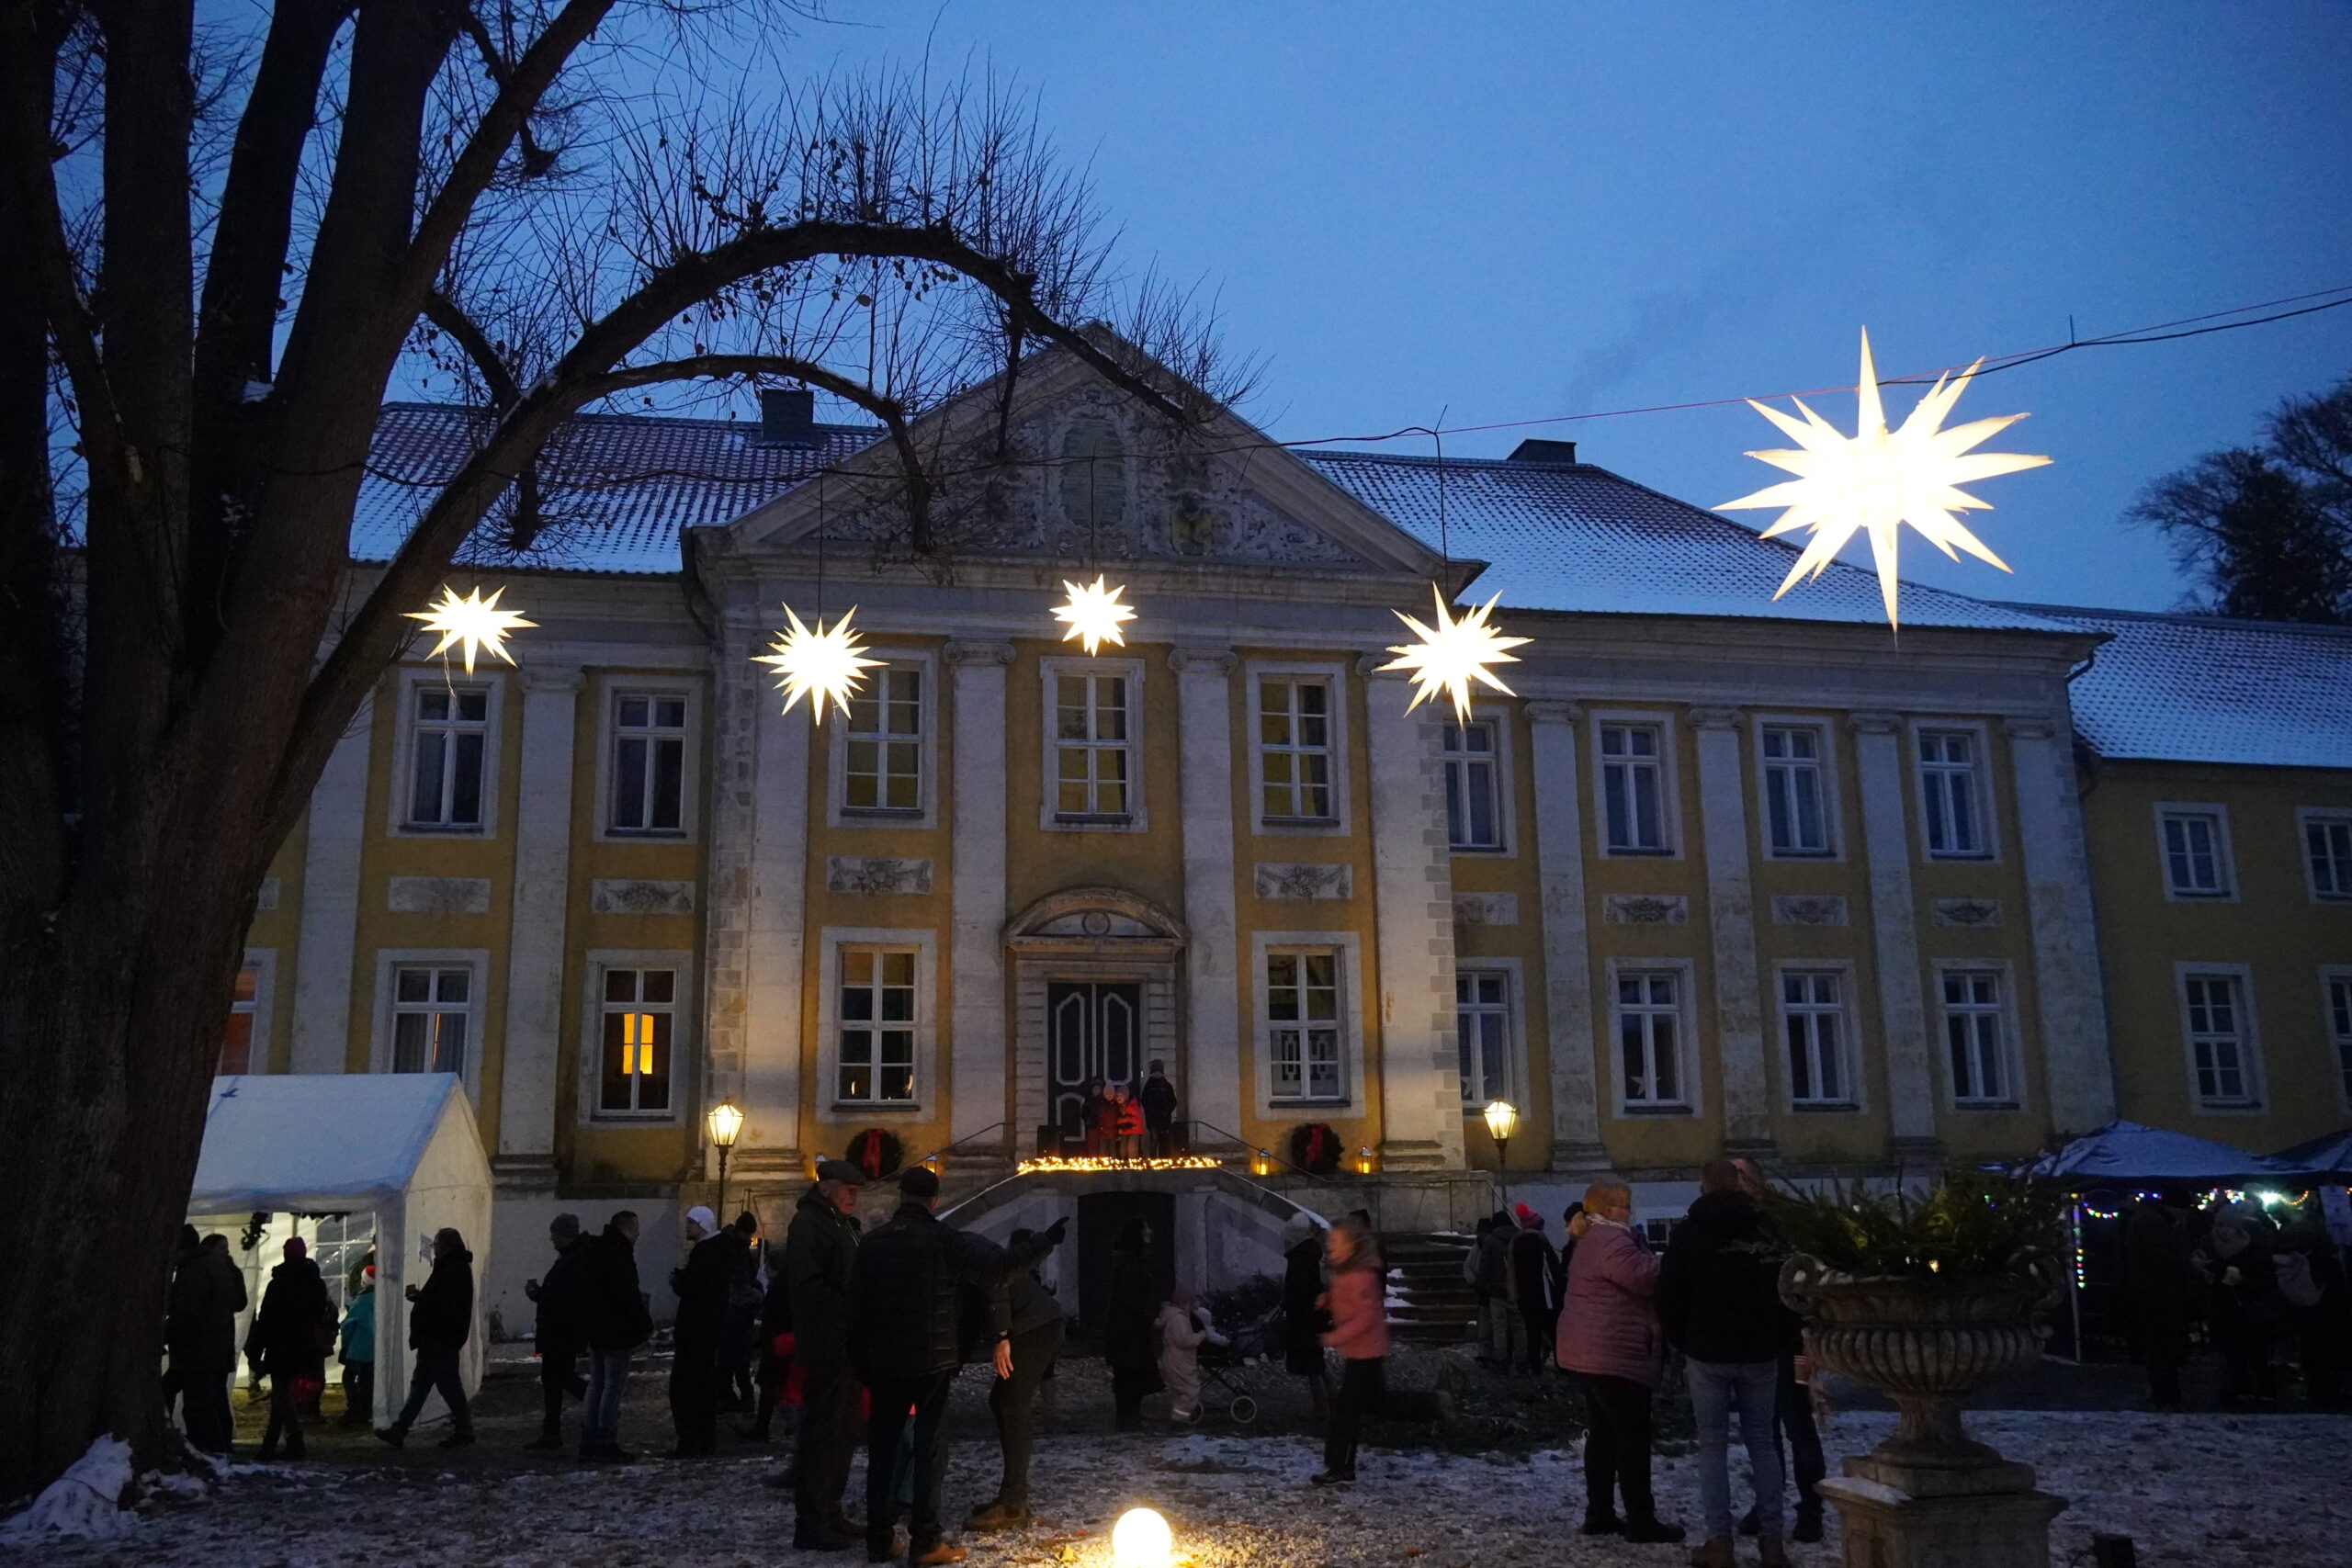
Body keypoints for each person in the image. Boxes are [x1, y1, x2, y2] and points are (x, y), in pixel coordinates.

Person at [849, 1166, 1057, 1566]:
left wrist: (861, 1362)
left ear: (900, 1197)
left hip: (884, 1362)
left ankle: (879, 1539)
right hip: (931, 1362)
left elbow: (856, 1309)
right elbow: (999, 1270)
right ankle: (925, 1542)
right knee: (929, 1451)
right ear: (935, 1200)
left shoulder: (871, 1245)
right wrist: (1044, 1242)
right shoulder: (945, 1240)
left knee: (884, 1450)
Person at [1660, 1159, 1787, 1568]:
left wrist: (1682, 1338)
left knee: (1712, 1446)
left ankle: (1720, 1542)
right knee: (1763, 1443)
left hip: (1707, 1350)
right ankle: (1772, 1541)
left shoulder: (1688, 1233)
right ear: (1738, 1185)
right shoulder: (1766, 1229)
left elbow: (1669, 1293)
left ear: (1702, 1187)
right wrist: (1780, 1336)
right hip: (1760, 1349)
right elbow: (1786, 1288)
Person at [1558, 1183, 1684, 1543]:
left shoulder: (1592, 1238)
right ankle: (1641, 1519)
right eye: (1626, 1206)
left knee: (1603, 1435)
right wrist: (1671, 1261)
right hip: (1613, 1351)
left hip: (1591, 1350)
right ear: (1610, 1210)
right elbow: (1644, 1278)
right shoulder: (1611, 1240)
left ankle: (1599, 1513)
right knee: (1631, 1438)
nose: (1630, 1212)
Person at [1729, 1159, 1823, 1545]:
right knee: (1763, 1432)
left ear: (1752, 1181)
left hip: (1787, 1342)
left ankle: (1810, 1510)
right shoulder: (1740, 1222)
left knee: (1798, 1425)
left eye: (1739, 1176)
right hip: (1753, 1343)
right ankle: (1768, 1503)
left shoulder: (1777, 1224)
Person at [967, 1223, 1071, 1532]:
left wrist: (1001, 1336)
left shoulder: (962, 1255)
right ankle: (1011, 1495)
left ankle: (1013, 1503)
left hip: (1034, 1328)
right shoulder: (965, 1248)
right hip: (1036, 1324)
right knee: (1002, 1401)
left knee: (1011, 1404)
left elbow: (995, 1286)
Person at [788, 1159, 867, 1551]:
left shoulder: (842, 1225)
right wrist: (848, 1310)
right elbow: (808, 1286)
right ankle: (812, 1519)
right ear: (826, 1189)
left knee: (843, 1430)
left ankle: (830, 1510)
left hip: (848, 1343)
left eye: (856, 1191)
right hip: (827, 1343)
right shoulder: (809, 1225)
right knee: (822, 1432)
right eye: (848, 1190)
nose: (855, 1197)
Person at [377, 1226, 476, 1448]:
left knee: (443, 1385)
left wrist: (421, 1299)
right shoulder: (455, 1268)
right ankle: (400, 1429)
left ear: (445, 1246)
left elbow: (444, 1303)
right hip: (439, 1335)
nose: (434, 1249)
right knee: (424, 1386)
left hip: (439, 1336)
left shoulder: (451, 1270)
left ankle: (463, 1428)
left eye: (436, 1244)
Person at [1311, 1214, 1386, 1486]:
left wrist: (1334, 1337)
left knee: (1347, 1412)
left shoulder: (1360, 1274)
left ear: (1352, 1245)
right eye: (1329, 1239)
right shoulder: (1345, 1271)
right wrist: (1327, 1298)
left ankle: (1338, 1467)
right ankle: (1343, 1467)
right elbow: (1348, 1299)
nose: (1330, 1244)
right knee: (1368, 1406)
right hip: (1359, 1352)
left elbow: (1366, 1317)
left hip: (1366, 1351)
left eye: (1336, 1240)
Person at [246, 1235, 332, 1461]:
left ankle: (291, 1439)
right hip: (304, 1346)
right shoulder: (315, 1282)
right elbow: (318, 1314)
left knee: (281, 1396)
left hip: (282, 1345)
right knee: (281, 1397)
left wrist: (255, 1350)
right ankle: (272, 1443)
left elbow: (267, 1319)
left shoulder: (280, 1283)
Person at [579, 1210, 654, 1461]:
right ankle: (605, 1440)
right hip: (616, 1332)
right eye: (635, 1229)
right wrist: (643, 1325)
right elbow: (628, 1295)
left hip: (597, 1329)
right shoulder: (619, 1255)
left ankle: (589, 1438)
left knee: (597, 1384)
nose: (639, 1234)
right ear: (626, 1230)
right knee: (612, 1386)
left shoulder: (598, 1250)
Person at [166, 1229, 246, 1454]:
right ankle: (218, 1447)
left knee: (199, 1404)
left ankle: (207, 1449)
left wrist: (166, 1335)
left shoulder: (194, 1271)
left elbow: (187, 1313)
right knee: (214, 1399)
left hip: (198, 1349)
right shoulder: (220, 1268)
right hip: (216, 1346)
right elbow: (237, 1302)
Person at [666, 1204, 735, 1457]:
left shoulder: (705, 1253)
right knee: (703, 1386)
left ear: (702, 1225)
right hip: (708, 1330)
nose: (687, 1227)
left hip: (696, 1331)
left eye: (691, 1223)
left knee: (686, 1387)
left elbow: (692, 1286)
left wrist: (678, 1281)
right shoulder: (718, 1251)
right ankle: (704, 1439)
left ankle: (690, 1440)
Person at [523, 1213, 594, 1449]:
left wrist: (539, 1296)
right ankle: (551, 1431)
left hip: (560, 1333)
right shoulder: (574, 1258)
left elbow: (563, 1299)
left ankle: (595, 1406)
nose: (551, 1239)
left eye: (554, 1234)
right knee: (557, 1380)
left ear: (563, 1235)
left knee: (559, 1379)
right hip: (561, 1332)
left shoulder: (572, 1261)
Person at [2124, 1193, 2196, 1412]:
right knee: (2162, 1345)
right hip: (2159, 1293)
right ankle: (2166, 1394)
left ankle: (2165, 1393)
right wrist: (2187, 1263)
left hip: (2152, 1292)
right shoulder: (2154, 1224)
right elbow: (2158, 1259)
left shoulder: (2148, 1220)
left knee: (2160, 1345)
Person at [1105, 1217, 1164, 1429]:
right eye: (1146, 1227)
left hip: (1133, 1327)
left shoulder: (1135, 1260)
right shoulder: (1129, 1263)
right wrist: (1148, 1317)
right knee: (1128, 1375)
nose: (1150, 1230)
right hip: (1127, 1329)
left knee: (1133, 1374)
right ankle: (1126, 1419)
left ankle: (1131, 1416)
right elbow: (1127, 1298)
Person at [1279, 1213, 1331, 1417]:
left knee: (1313, 1367)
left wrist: (1288, 1302)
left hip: (1304, 1319)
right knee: (1317, 1364)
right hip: (1313, 1317)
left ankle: (1322, 1408)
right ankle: (1331, 1401)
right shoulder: (1310, 1254)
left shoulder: (1300, 1258)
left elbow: (1300, 1289)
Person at [1157, 1285, 1228, 1423]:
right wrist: (1200, 1336)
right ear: (1184, 1303)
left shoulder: (1173, 1316)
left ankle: (1179, 1416)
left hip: (1175, 1358)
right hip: (1179, 1359)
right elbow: (1184, 1340)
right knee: (1190, 1390)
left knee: (1181, 1390)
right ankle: (1179, 1419)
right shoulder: (1179, 1319)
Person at [1506, 1203, 1562, 1374]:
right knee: (1554, 1332)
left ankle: (1535, 1367)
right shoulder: (1541, 1241)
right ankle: (1562, 1365)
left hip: (1525, 1297)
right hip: (1546, 1298)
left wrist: (1514, 1295)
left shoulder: (1515, 1243)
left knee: (1533, 1333)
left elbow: (1511, 1272)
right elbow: (1553, 1270)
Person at [722, 1213, 764, 1416]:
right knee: (737, 1358)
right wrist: (757, 1296)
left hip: (736, 1313)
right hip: (735, 1313)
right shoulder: (734, 1250)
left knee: (732, 1359)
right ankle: (740, 1397)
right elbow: (741, 1282)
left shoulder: (734, 1247)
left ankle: (730, 1396)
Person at [1474, 1210, 1522, 1370]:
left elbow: (1485, 1265)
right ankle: (1521, 1360)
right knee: (1518, 1327)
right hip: (1517, 1290)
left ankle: (1501, 1361)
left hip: (1496, 1290)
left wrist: (1481, 1286)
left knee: (1499, 1327)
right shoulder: (1519, 1236)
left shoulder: (1491, 1240)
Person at [337, 1268, 378, 1427]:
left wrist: (345, 1345)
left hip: (359, 1348)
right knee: (367, 1381)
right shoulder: (382, 1299)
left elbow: (349, 1326)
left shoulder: (360, 1302)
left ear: (364, 1282)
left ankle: (354, 1408)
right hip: (375, 1350)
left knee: (348, 1377)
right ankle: (366, 1411)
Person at [1138, 1060, 1180, 1156]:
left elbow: (1173, 1101)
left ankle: (1164, 1159)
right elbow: (1145, 1101)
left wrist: (1166, 1111)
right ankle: (1153, 1159)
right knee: (1154, 1139)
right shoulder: (1149, 1086)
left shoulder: (1167, 1086)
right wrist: (1152, 1112)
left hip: (1164, 1118)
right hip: (1153, 1118)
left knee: (1164, 1139)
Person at [1080, 1077, 1111, 1156]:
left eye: (1098, 1088)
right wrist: (1089, 1120)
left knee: (1103, 1145)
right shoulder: (1089, 1101)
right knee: (1092, 1144)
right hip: (1092, 1125)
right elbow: (1084, 1113)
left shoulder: (1104, 1101)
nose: (1096, 1090)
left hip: (1103, 1126)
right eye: (1095, 1088)